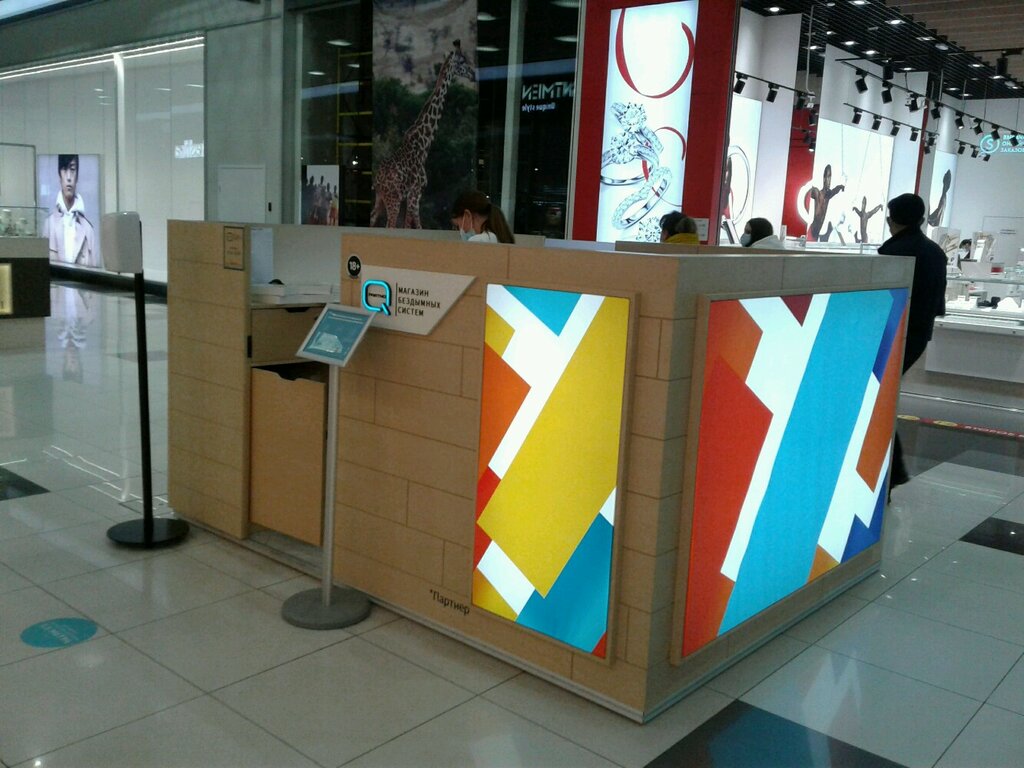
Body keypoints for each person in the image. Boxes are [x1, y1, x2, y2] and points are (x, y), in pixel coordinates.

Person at [877, 193, 947, 491]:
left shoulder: (895, 252)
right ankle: (893, 472)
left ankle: (892, 471)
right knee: (884, 398)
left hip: (893, 334)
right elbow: (938, 304)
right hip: (917, 335)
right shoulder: (934, 251)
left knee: (878, 401)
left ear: (894, 218)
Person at [47, 154, 97, 267]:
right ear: (59, 175)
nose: (69, 177)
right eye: (64, 169)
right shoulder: (48, 225)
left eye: (73, 169)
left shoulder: (88, 230)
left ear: (77, 176)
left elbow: (94, 273)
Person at [450, 191, 515, 244]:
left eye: (457, 226)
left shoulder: (477, 241)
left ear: (467, 215)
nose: (460, 232)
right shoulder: (497, 237)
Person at [808, 164, 845, 242]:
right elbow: (809, 190)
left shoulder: (828, 196)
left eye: (830, 177)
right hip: (811, 233)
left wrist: (841, 186)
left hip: (816, 236)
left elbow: (835, 190)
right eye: (827, 177)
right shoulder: (817, 193)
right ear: (824, 178)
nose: (829, 181)